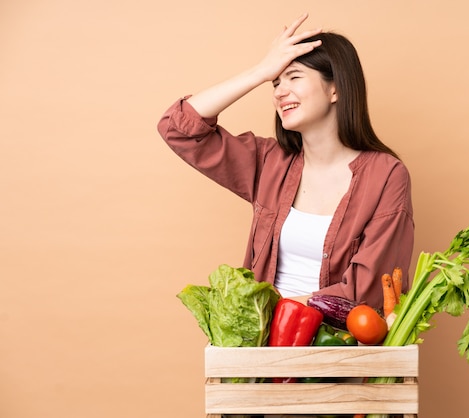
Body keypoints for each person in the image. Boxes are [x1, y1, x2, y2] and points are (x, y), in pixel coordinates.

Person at [157, 13, 414, 311]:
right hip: (264, 340)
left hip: (338, 343)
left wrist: (270, 309)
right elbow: (178, 128)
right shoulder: (269, 163)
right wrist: (259, 72)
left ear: (336, 89)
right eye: (275, 82)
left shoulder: (386, 176)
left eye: (294, 77)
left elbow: (369, 291)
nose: (279, 91)